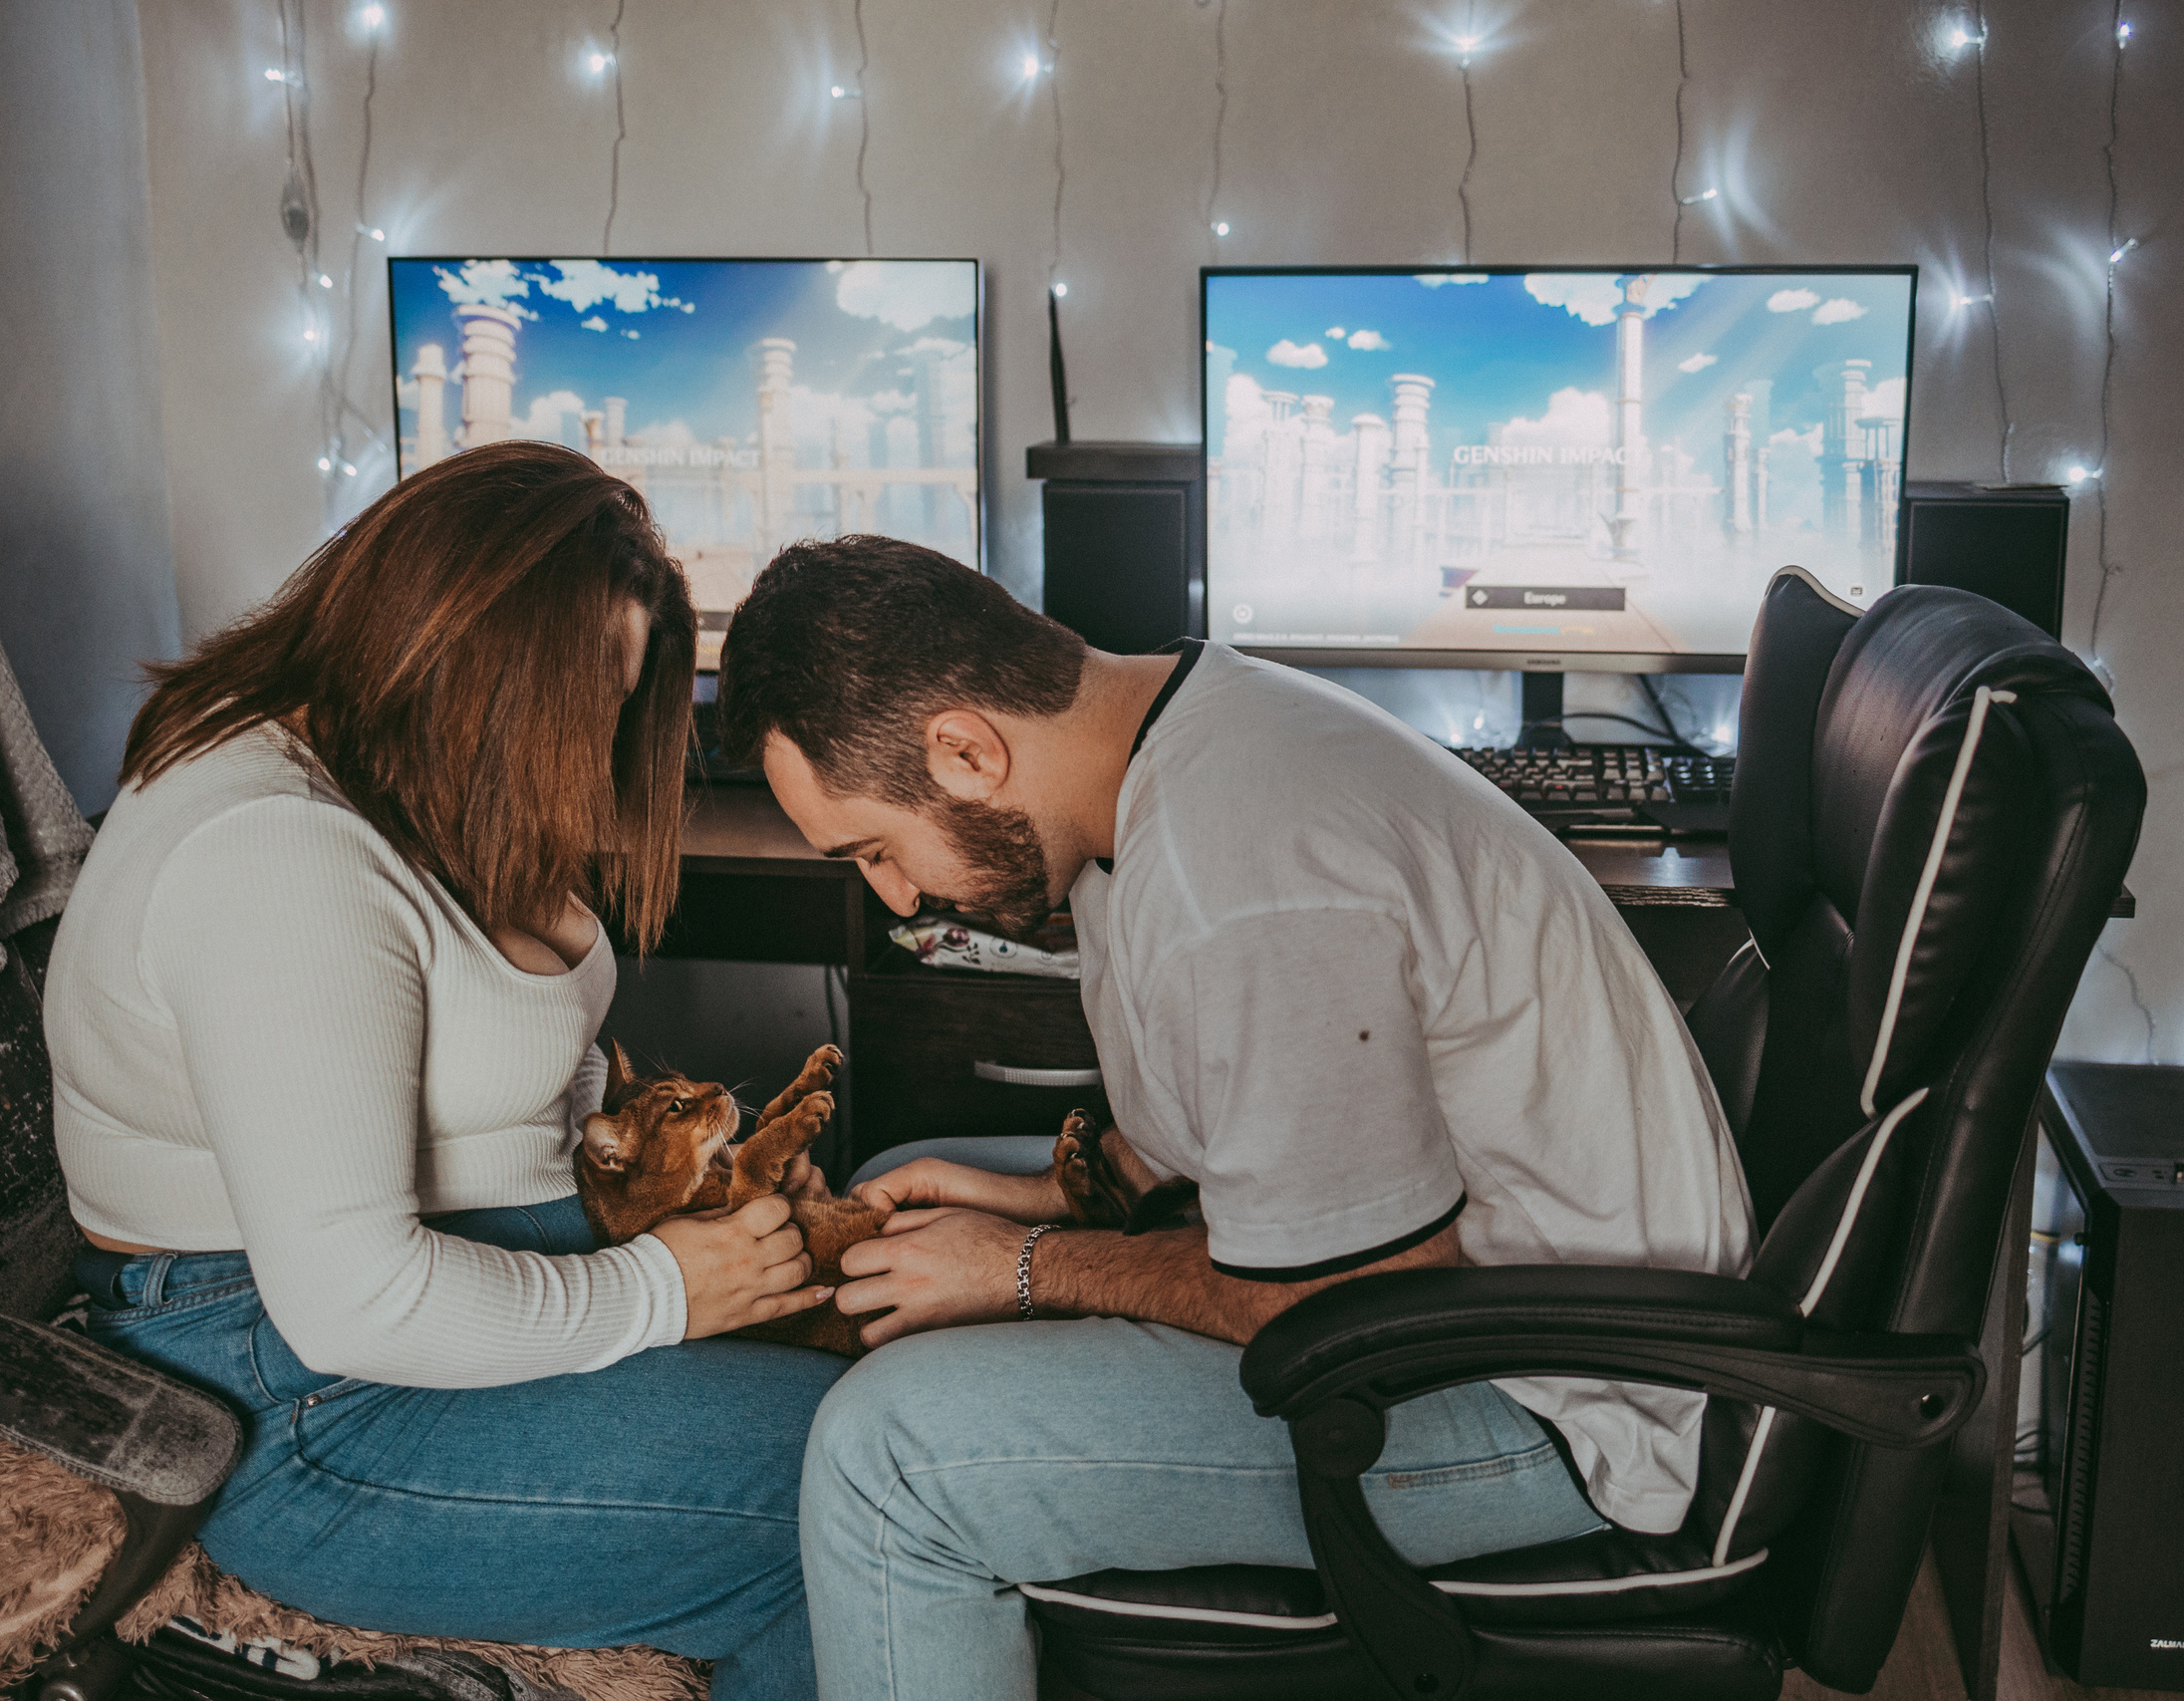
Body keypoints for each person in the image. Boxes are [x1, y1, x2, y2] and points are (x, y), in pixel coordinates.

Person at [713, 536, 1755, 1701]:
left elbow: (1340, 1299)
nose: (896, 897)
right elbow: (1222, 1105)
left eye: (876, 849)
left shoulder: (1241, 877)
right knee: (916, 1174)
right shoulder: (1169, 742)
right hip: (1483, 1300)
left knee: (887, 1458)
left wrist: (1026, 1266)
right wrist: (1050, 1197)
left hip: (1546, 1391)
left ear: (964, 749)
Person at [45, 443, 842, 1701]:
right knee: (867, 1474)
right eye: (579, 696)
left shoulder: (404, 777)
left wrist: (678, 1202)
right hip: (311, 1407)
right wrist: (661, 1293)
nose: (593, 739)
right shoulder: (278, 859)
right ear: (453, 649)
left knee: (881, 1386)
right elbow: (353, 1300)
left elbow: (509, 1059)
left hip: (474, 1299)